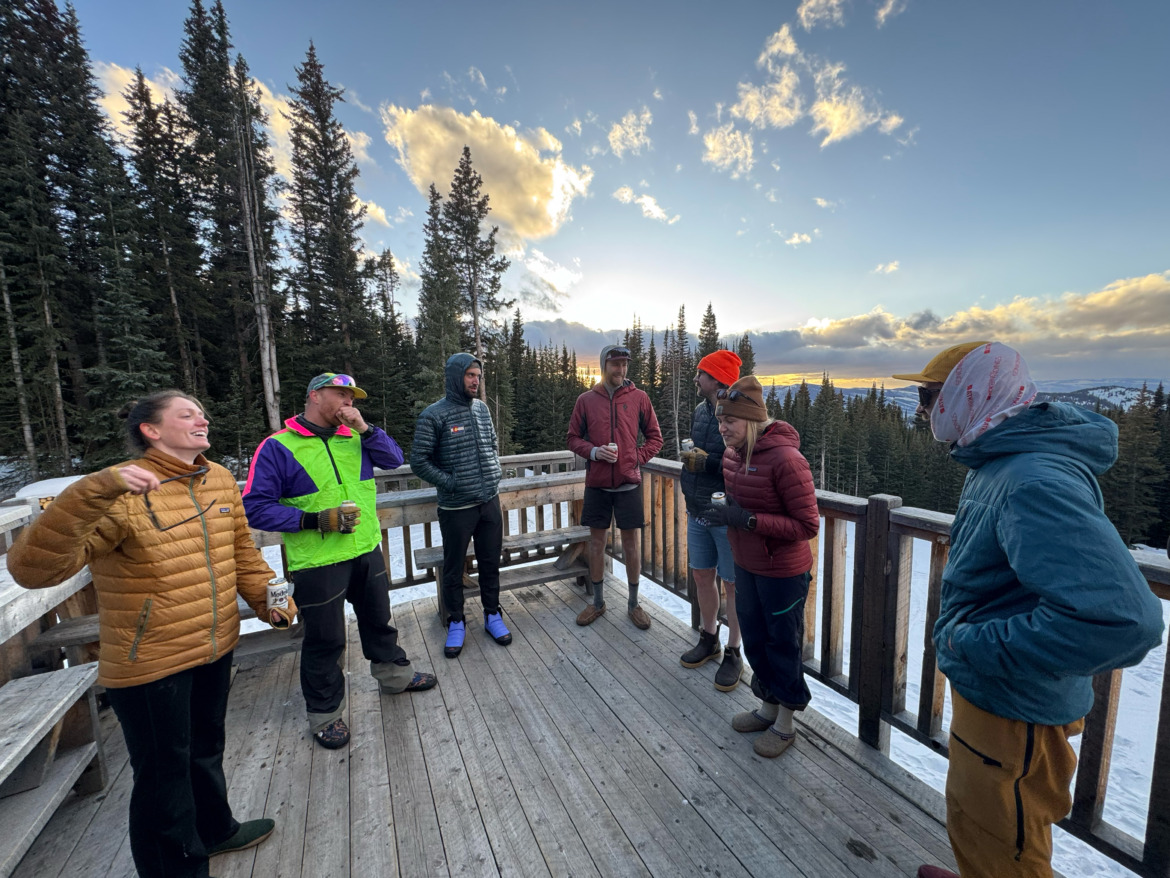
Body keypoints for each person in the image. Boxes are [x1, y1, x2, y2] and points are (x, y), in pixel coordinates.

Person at [893, 342, 1164, 878]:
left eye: (929, 395)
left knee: (1010, 849)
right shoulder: (998, 457)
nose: (923, 410)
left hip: (1017, 712)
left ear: (973, 393)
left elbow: (1126, 620)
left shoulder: (1031, 479)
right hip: (996, 697)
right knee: (980, 819)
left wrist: (973, 644)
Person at [8, 391, 296, 878]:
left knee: (205, 748)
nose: (202, 418)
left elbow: (243, 553)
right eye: (187, 414)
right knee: (164, 776)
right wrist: (90, 490)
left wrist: (273, 600)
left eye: (203, 412)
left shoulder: (219, 479)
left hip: (214, 643)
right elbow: (34, 570)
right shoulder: (117, 491)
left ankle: (215, 830)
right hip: (149, 659)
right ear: (151, 430)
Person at [243, 373, 435, 751]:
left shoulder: (355, 437)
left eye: (351, 396)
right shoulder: (278, 446)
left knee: (379, 621)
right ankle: (325, 713)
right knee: (325, 639)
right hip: (317, 560)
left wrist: (365, 428)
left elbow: (394, 460)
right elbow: (256, 508)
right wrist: (313, 520)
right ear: (315, 395)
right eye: (340, 394)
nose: (348, 401)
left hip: (365, 548)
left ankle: (394, 677)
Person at [701, 376, 820, 758]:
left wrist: (749, 520)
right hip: (747, 565)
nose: (722, 429)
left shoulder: (787, 459)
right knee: (754, 639)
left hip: (783, 573)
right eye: (720, 421)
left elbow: (807, 526)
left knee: (782, 645)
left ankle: (786, 724)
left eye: (730, 422)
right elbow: (741, 508)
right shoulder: (735, 455)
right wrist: (726, 515)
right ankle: (768, 708)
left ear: (751, 420)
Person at [411, 353, 511, 659]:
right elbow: (419, 460)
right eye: (470, 375)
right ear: (456, 376)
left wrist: (493, 470)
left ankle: (492, 614)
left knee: (490, 562)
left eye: (478, 376)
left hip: (489, 501)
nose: (475, 381)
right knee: (454, 568)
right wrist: (451, 482)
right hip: (456, 508)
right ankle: (456, 621)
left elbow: (492, 443)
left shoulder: (481, 409)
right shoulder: (434, 415)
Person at [567, 344, 664, 628]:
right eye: (615, 364)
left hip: (628, 484)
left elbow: (656, 438)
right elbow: (572, 438)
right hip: (597, 484)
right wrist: (595, 452)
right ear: (604, 366)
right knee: (596, 544)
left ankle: (634, 605)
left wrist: (635, 458)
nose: (621, 369)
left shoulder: (639, 398)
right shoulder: (586, 400)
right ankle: (597, 602)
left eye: (624, 364)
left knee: (632, 547)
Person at [679, 349, 745, 691]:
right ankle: (710, 636)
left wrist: (705, 463)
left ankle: (734, 651)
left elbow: (747, 465)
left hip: (727, 513)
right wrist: (692, 462)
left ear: (718, 379)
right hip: (697, 509)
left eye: (701, 374)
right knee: (702, 576)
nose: (695, 379)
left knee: (733, 584)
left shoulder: (741, 413)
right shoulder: (700, 411)